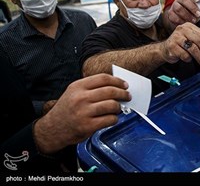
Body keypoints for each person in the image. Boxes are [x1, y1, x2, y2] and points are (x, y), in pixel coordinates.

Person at [80, 0, 200, 95]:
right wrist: (162, 50)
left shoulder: (170, 25)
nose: (145, 3)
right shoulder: (107, 35)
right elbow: (91, 69)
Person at [0, 0, 97, 117]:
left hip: (97, 112)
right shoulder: (5, 44)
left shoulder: (83, 21)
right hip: (47, 126)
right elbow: (8, 101)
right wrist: (46, 107)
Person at [1, 54, 131, 172]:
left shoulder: (82, 26)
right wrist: (46, 130)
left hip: (90, 138)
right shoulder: (7, 40)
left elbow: (16, 102)